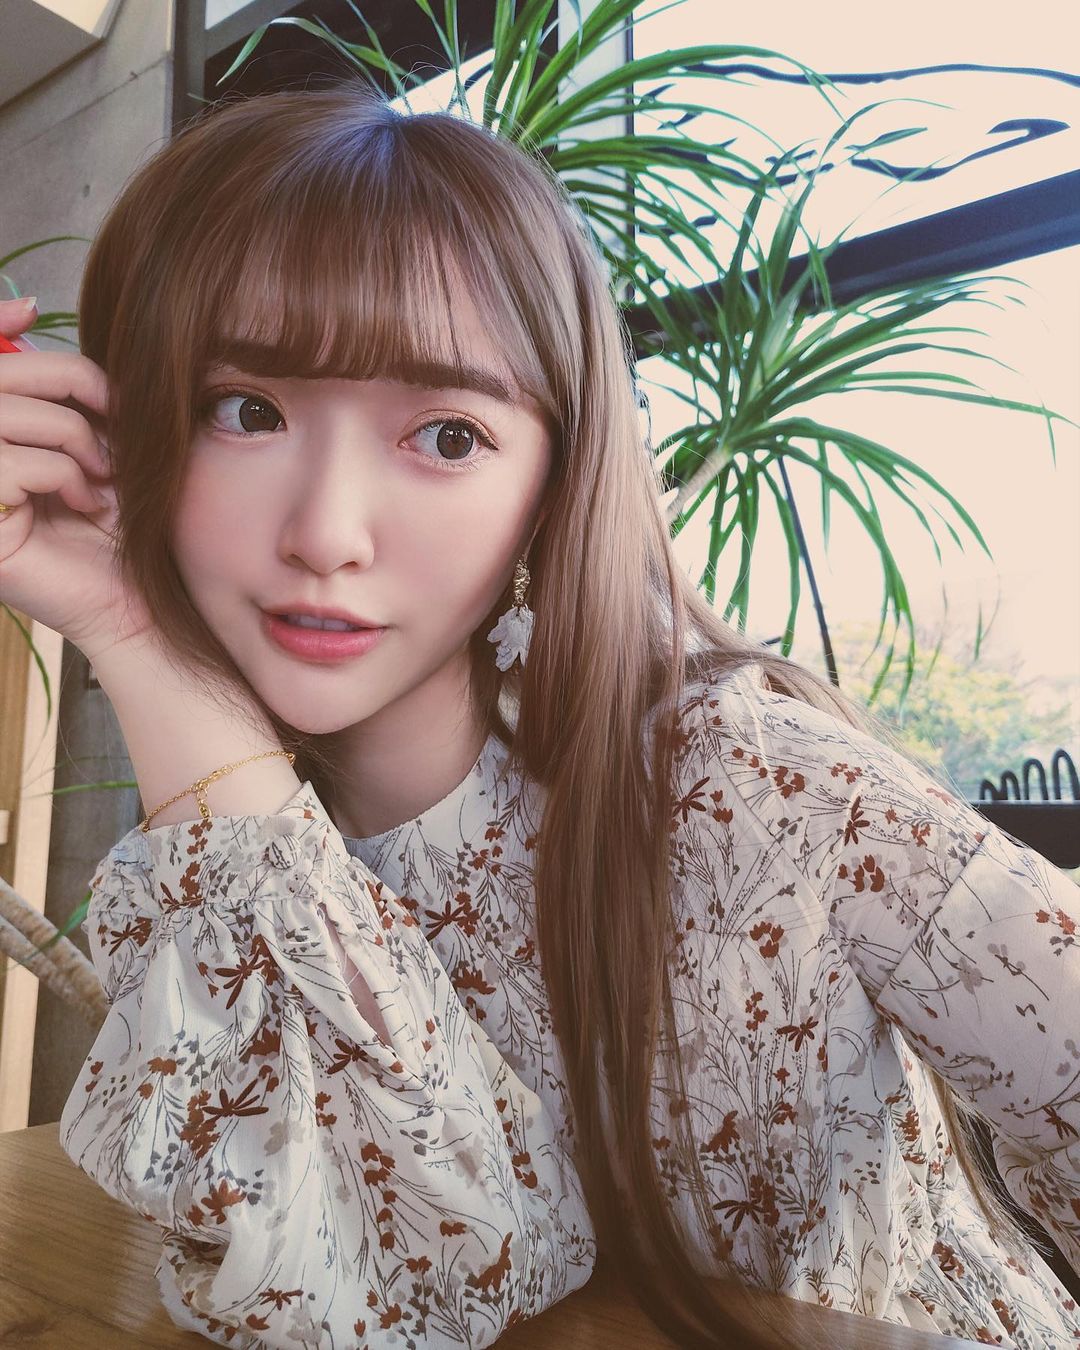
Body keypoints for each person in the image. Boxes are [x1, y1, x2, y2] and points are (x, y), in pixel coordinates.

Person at [0, 82, 1076, 1350]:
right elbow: (390, 1284)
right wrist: (131, 631)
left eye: (448, 436)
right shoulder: (214, 857)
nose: (327, 535)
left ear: (555, 482)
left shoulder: (758, 786)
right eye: (247, 412)